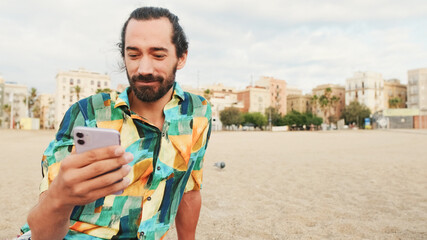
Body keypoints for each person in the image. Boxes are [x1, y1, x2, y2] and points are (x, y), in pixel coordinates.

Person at [20, 6, 212, 240]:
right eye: (133, 55)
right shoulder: (88, 112)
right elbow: (42, 233)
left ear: (181, 57)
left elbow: (189, 190)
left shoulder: (198, 112)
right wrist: (59, 196)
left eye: (158, 55)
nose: (144, 69)